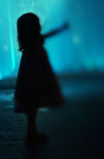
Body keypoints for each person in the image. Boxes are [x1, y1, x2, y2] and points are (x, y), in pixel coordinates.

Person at [13, 13, 68, 143]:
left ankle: (32, 132)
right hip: (35, 75)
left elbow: (50, 34)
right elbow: (35, 64)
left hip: (33, 74)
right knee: (33, 103)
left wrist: (61, 29)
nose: (40, 25)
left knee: (33, 103)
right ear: (31, 27)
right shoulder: (34, 43)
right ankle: (31, 134)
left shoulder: (30, 43)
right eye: (37, 23)